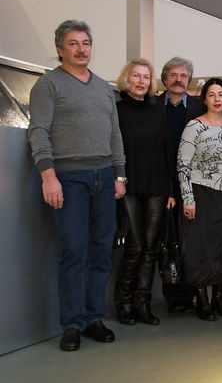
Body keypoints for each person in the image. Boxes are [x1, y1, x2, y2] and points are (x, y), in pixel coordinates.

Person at [28, 20, 125, 351]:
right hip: (69, 178)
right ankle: (71, 323)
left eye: (85, 43)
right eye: (73, 44)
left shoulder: (103, 88)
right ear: (60, 49)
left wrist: (119, 175)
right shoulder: (48, 85)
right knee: (73, 251)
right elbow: (38, 130)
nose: (81, 49)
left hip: (104, 177)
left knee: (101, 251)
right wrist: (48, 173)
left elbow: (115, 134)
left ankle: (93, 317)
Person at [113, 58, 175, 326]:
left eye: (146, 77)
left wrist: (171, 189)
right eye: (136, 76)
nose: (141, 81)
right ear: (127, 79)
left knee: (151, 248)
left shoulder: (157, 110)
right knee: (135, 246)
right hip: (129, 186)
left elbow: (166, 150)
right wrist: (118, 178)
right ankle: (123, 303)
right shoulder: (116, 110)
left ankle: (142, 303)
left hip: (158, 187)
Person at [178, 77, 222, 321]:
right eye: (211, 95)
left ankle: (219, 299)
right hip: (201, 192)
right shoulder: (195, 126)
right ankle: (202, 301)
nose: (217, 99)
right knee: (201, 248)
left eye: (221, 94)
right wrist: (187, 198)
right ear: (204, 99)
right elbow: (183, 164)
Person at [157, 57, 206, 313]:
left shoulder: (200, 107)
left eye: (183, 76)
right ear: (165, 79)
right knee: (167, 241)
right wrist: (166, 188)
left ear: (189, 80)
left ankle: (190, 295)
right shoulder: (154, 106)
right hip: (160, 183)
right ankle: (172, 296)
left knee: (190, 240)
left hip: (193, 185)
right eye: (173, 75)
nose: (178, 79)